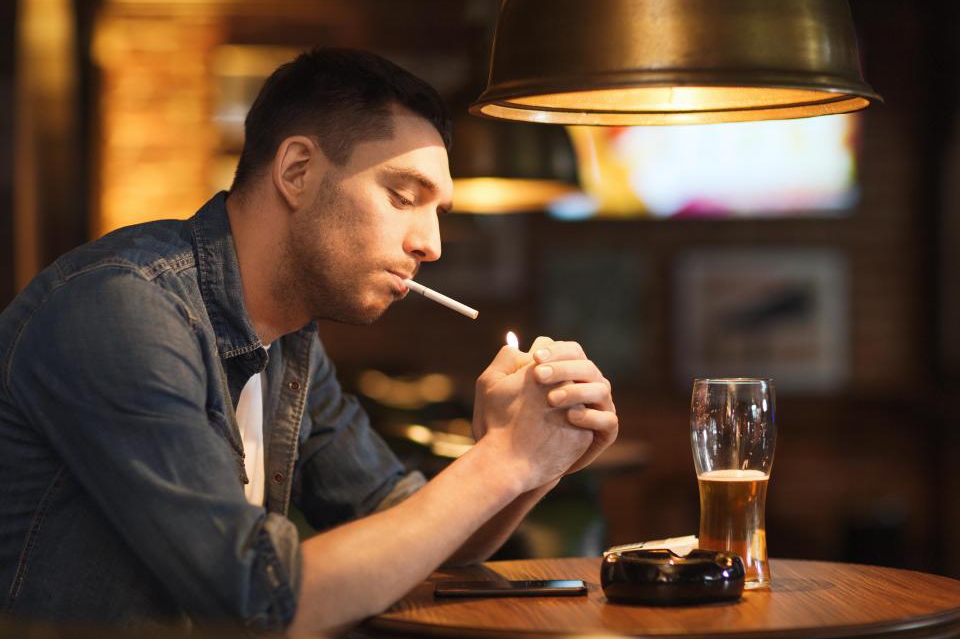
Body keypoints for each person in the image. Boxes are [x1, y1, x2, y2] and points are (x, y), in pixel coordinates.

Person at [0, 48, 618, 635]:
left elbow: (409, 532)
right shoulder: (121, 310)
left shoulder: (290, 337)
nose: (430, 243)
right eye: (404, 197)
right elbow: (259, 600)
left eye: (439, 213)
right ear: (297, 171)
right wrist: (501, 459)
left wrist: (539, 458)